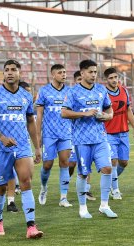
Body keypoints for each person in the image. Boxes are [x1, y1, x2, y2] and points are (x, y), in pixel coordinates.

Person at [0, 59, 43, 238]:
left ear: (19, 73)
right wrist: (2, 138)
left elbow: (30, 122)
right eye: (7, 70)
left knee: (26, 182)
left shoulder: (26, 96)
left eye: (13, 70)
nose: (10, 72)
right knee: (1, 186)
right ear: (3, 74)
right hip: (1, 148)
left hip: (22, 146)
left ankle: (31, 227)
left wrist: (37, 147)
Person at [62, 59, 118, 219]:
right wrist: (83, 113)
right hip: (81, 140)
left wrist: (108, 116)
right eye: (90, 72)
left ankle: (104, 205)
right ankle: (82, 208)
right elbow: (64, 112)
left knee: (107, 168)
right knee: (83, 174)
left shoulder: (101, 90)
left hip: (100, 138)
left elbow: (109, 108)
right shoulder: (73, 92)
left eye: (95, 72)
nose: (93, 75)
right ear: (82, 73)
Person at [35, 64, 72, 207]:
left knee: (64, 162)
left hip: (66, 134)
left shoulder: (69, 91)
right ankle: (44, 187)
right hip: (49, 135)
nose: (63, 75)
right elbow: (39, 116)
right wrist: (38, 137)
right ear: (53, 75)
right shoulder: (43, 91)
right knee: (47, 165)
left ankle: (63, 197)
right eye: (60, 72)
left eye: (64, 72)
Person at [104, 67, 134, 200]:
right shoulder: (103, 93)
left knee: (123, 162)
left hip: (123, 132)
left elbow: (128, 110)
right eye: (111, 78)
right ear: (106, 80)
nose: (114, 80)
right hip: (108, 133)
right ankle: (115, 190)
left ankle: (110, 182)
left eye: (115, 77)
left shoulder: (124, 90)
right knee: (113, 161)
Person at [69, 71, 96, 201]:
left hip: (85, 136)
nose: (81, 81)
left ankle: (86, 190)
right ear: (75, 81)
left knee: (87, 163)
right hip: (71, 135)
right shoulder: (71, 94)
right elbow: (65, 113)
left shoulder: (90, 94)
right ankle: (66, 181)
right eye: (78, 79)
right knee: (71, 164)